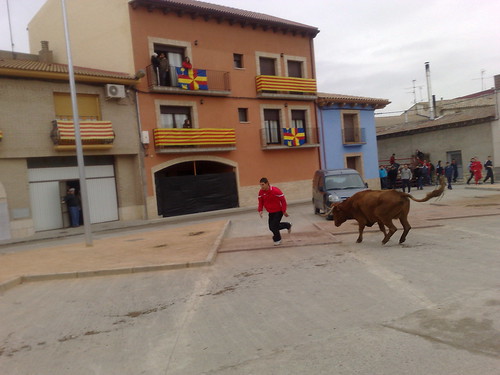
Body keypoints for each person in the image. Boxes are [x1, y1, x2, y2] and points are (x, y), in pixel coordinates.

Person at [257, 177, 292, 246]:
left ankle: (277, 239)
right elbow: (260, 201)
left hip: (278, 211)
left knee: (273, 226)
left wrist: (284, 211)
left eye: (263, 184)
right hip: (271, 212)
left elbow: (283, 201)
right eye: (260, 185)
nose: (261, 186)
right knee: (271, 227)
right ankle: (287, 225)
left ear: (267, 184)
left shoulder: (275, 190)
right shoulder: (261, 192)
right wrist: (260, 210)